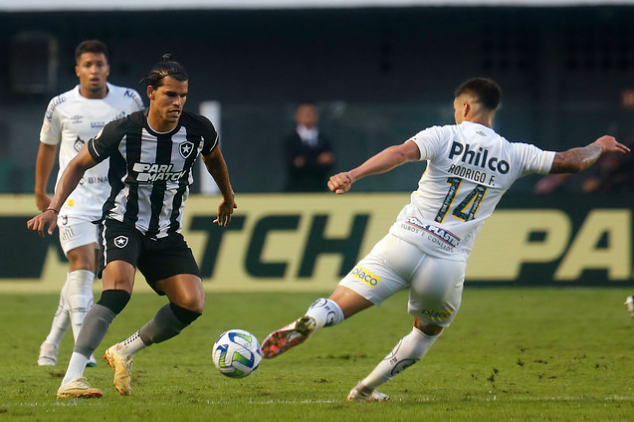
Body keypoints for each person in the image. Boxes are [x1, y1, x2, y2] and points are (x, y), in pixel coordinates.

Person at [260, 77, 630, 402]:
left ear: (465, 106)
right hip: (446, 263)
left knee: (339, 304)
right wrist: (599, 144)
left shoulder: (443, 135)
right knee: (426, 332)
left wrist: (353, 174)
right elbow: (571, 161)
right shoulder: (514, 154)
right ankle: (365, 389)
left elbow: (399, 154)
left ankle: (313, 319)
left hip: (402, 244)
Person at [27, 54, 237, 399]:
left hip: (167, 234)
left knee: (191, 303)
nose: (178, 102)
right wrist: (53, 207)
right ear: (151, 93)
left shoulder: (198, 129)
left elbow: (213, 156)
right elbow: (78, 164)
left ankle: (124, 351)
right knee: (118, 289)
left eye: (183, 95)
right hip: (123, 223)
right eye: (171, 94)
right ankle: (72, 378)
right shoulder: (125, 130)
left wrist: (227, 196)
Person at [35, 40, 144, 367]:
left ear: (107, 68)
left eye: (99, 64)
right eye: (88, 65)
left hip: (114, 200)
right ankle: (86, 350)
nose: (94, 70)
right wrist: (42, 192)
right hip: (73, 199)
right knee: (81, 266)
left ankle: (50, 343)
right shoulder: (61, 104)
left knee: (82, 276)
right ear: (77, 70)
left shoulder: (129, 100)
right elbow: (47, 148)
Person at [283, 102, 336, 192]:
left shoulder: (324, 139)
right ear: (297, 116)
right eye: (305, 113)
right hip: (295, 189)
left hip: (320, 188)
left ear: (317, 116)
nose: (308, 116)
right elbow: (294, 164)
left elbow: (329, 161)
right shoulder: (290, 139)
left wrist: (306, 161)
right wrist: (317, 160)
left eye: (311, 113)